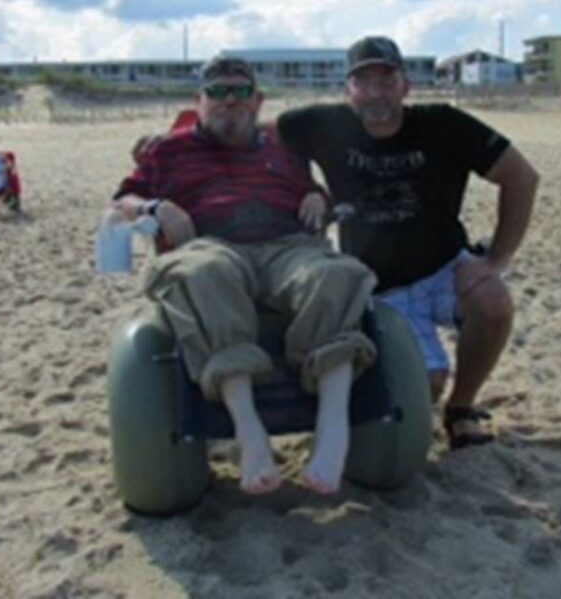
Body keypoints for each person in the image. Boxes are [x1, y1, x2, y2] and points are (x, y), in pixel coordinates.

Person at [110, 56, 377, 495]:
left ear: (257, 101)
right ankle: (247, 428)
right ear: (199, 101)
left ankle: (332, 425)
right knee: (204, 272)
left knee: (338, 275)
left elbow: (315, 192)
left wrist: (314, 193)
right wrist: (155, 207)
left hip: (286, 246)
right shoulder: (167, 150)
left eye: (239, 91)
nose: (228, 100)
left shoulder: (281, 148)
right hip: (209, 244)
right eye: (216, 91)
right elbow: (122, 203)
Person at [275, 36, 540, 449]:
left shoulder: (442, 123)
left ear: (406, 86)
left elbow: (521, 176)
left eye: (387, 81)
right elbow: (253, 134)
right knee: (423, 387)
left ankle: (462, 408)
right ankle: (434, 394)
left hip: (444, 268)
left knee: (493, 302)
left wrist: (496, 259)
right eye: (364, 83)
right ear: (349, 91)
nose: (376, 93)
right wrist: (305, 186)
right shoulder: (324, 125)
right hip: (379, 286)